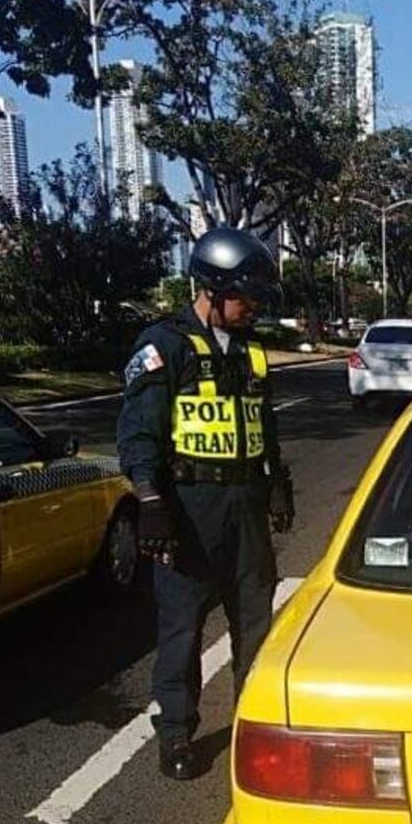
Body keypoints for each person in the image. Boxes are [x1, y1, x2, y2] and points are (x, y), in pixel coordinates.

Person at [117, 228, 295, 781]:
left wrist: (277, 482)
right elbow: (138, 434)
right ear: (212, 289)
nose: (253, 307)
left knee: (255, 623)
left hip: (244, 505)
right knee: (182, 630)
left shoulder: (250, 351)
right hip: (189, 508)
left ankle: (252, 725)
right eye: (245, 296)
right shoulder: (163, 347)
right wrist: (149, 498)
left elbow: (262, 427)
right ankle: (176, 733)